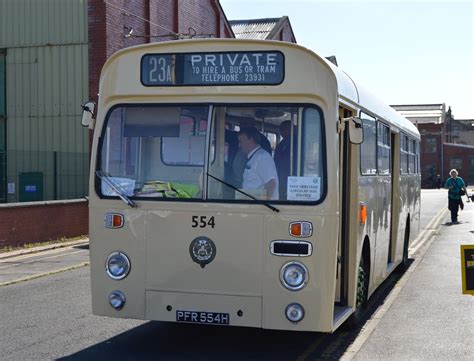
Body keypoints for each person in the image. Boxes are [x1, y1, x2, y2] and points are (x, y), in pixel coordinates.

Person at [238, 127, 279, 200]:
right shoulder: (254, 156)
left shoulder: (262, 157)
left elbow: (271, 184)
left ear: (251, 139)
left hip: (257, 206)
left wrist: (262, 206)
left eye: (241, 141)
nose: (239, 145)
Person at [273, 120, 294, 200]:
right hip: (279, 177)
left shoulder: (299, 143)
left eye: (286, 129)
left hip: (292, 177)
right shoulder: (280, 145)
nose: (284, 132)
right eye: (282, 129)